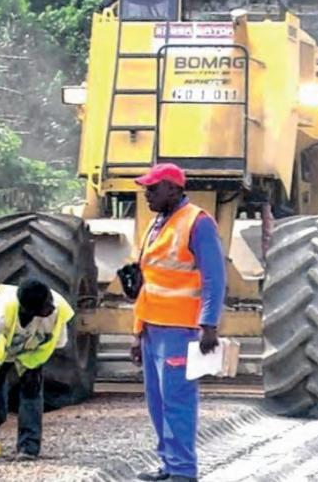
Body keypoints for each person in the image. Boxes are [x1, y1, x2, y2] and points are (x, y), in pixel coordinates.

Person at [125, 163, 227, 482]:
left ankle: (183, 471)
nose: (147, 195)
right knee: (158, 403)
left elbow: (214, 277)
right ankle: (169, 466)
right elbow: (149, 285)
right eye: (146, 189)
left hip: (180, 330)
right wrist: (137, 332)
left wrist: (208, 324)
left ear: (173, 188)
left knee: (177, 401)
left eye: (152, 189)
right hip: (152, 329)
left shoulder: (197, 223)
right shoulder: (157, 224)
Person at [0, 278, 74, 460]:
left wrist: (32, 365)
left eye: (50, 301)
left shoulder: (57, 309)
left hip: (33, 349)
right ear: (28, 310)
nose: (52, 307)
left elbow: (58, 343)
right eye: (46, 306)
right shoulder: (2, 312)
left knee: (32, 392)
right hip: (3, 346)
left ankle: (28, 447)